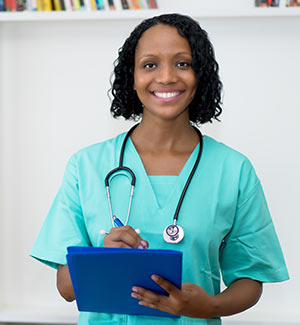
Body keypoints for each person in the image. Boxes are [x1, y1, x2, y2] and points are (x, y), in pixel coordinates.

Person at [30, 13, 289, 325]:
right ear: (132, 76)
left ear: (200, 74)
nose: (166, 77)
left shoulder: (233, 170)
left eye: (182, 63)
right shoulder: (86, 166)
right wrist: (103, 256)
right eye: (150, 64)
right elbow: (66, 288)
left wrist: (208, 307)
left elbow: (250, 279)